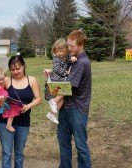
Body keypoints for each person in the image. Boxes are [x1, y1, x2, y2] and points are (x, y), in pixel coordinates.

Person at [0, 55, 41, 168]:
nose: (15, 72)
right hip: (5, 121)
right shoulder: (6, 80)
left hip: (23, 122)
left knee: (19, 153)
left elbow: (38, 98)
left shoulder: (31, 80)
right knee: (7, 153)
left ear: (23, 66)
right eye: (12, 70)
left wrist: (28, 106)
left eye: (18, 68)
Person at [57, 30, 92, 168]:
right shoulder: (72, 60)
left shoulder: (82, 62)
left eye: (72, 46)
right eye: (68, 45)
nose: (69, 48)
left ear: (81, 45)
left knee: (80, 145)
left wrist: (55, 99)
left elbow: (68, 87)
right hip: (65, 107)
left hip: (77, 110)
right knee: (63, 143)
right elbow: (62, 80)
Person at [44, 38, 77, 124]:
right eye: (57, 51)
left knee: (62, 99)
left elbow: (69, 59)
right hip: (57, 79)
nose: (58, 53)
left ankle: (52, 114)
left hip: (61, 79)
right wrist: (67, 73)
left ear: (66, 50)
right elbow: (57, 69)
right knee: (65, 90)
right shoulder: (56, 59)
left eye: (60, 51)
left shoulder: (66, 56)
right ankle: (53, 101)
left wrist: (72, 58)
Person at [0, 67, 21, 132]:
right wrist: (1, 97)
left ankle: (9, 124)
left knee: (14, 107)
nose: (1, 81)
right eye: (0, 79)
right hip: (0, 103)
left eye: (2, 79)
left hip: (3, 102)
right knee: (12, 109)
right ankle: (8, 125)